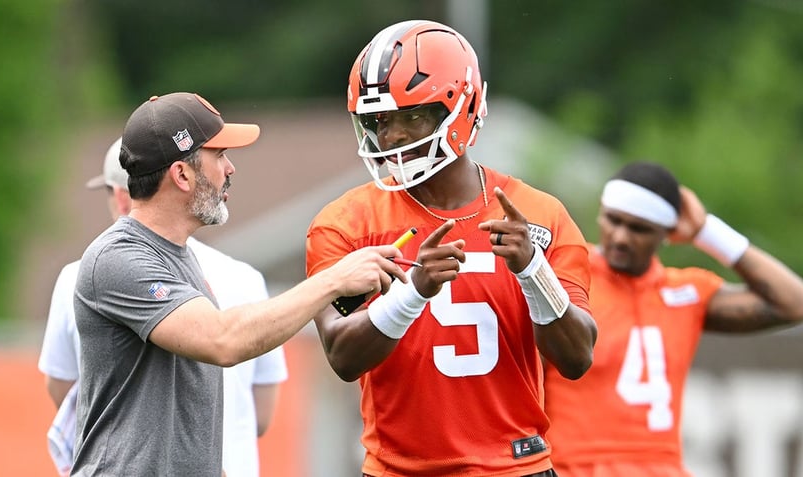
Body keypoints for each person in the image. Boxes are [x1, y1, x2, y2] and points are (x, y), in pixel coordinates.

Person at [304, 20, 598, 476]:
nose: (394, 137)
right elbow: (342, 356)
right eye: (380, 121)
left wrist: (532, 271)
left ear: (462, 108)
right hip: (400, 470)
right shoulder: (344, 224)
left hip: (516, 468)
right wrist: (413, 291)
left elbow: (577, 357)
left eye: (412, 115)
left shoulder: (539, 216)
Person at [71, 92, 408, 476]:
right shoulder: (118, 259)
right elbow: (223, 340)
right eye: (219, 155)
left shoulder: (177, 255)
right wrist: (333, 280)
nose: (230, 168)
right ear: (182, 174)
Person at [37, 138, 287, 477]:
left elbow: (64, 390)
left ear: (123, 194)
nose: (229, 169)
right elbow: (262, 415)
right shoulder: (246, 276)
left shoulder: (77, 274)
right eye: (221, 158)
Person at [543, 161, 803, 477]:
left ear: (667, 232)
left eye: (639, 228)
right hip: (573, 466)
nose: (621, 237)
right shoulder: (566, 275)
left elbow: (794, 303)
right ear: (601, 211)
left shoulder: (684, 292)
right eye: (614, 220)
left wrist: (708, 232)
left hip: (663, 468)